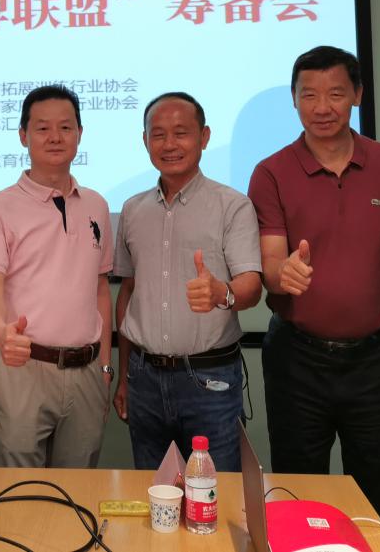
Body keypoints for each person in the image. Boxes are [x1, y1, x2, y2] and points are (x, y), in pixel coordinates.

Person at [248, 45, 380, 539]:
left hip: (375, 359)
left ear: (358, 95)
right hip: (297, 360)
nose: (322, 107)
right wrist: (281, 275)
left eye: (335, 94)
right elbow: (271, 260)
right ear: (294, 99)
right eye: (309, 95)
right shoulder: (272, 171)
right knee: (300, 491)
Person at [113, 92, 262, 473]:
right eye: (158, 134)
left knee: (216, 492)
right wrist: (125, 376)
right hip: (144, 378)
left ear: (204, 137)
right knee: (154, 492)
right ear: (145, 140)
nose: (169, 144)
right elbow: (128, 291)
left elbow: (251, 286)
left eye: (181, 133)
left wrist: (222, 293)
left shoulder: (232, 205)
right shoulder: (132, 210)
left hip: (209, 380)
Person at [0, 84, 114, 468]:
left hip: (86, 370)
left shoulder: (98, 205)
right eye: (42, 128)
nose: (55, 137)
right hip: (21, 366)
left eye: (65, 127)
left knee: (78, 488)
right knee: (18, 488)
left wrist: (104, 366)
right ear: (23, 135)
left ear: (80, 133)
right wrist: (1, 333)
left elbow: (100, 288)